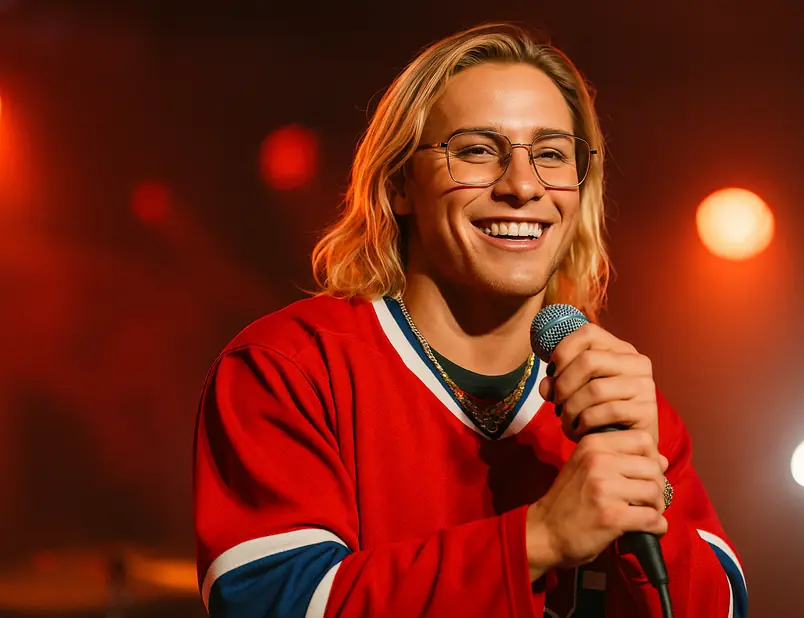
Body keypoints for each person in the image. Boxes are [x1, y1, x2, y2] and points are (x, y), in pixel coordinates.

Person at [193, 22, 747, 618]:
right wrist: (540, 539)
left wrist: (646, 483)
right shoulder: (290, 368)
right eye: (478, 150)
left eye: (553, 155)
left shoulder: (617, 399)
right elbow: (273, 603)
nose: (523, 186)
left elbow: (719, 608)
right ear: (401, 183)